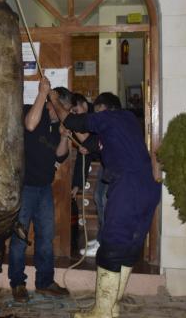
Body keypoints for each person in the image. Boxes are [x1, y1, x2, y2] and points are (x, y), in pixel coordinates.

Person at [48, 91, 161, 318]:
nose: (96, 117)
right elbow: (91, 142)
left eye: (97, 112)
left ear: (105, 109)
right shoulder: (126, 122)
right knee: (128, 248)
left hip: (128, 186)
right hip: (148, 188)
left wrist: (53, 98)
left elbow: (72, 120)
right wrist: (78, 139)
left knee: (111, 245)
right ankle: (112, 307)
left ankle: (102, 312)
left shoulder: (110, 117)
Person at [8, 77, 73, 302]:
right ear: (52, 103)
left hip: (44, 187)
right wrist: (43, 94)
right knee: (19, 237)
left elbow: (60, 156)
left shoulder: (56, 126)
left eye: (67, 110)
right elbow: (29, 125)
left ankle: (45, 282)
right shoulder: (33, 110)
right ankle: (18, 283)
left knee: (46, 237)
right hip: (24, 186)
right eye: (63, 108)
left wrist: (64, 137)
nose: (64, 113)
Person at [68, 93, 103, 258]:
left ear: (84, 104)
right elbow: (84, 155)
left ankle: (104, 243)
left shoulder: (95, 117)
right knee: (99, 197)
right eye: (72, 113)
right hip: (106, 163)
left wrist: (87, 145)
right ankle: (101, 240)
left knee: (104, 199)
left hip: (116, 163)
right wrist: (77, 184)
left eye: (75, 110)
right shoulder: (81, 122)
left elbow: (94, 143)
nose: (75, 115)